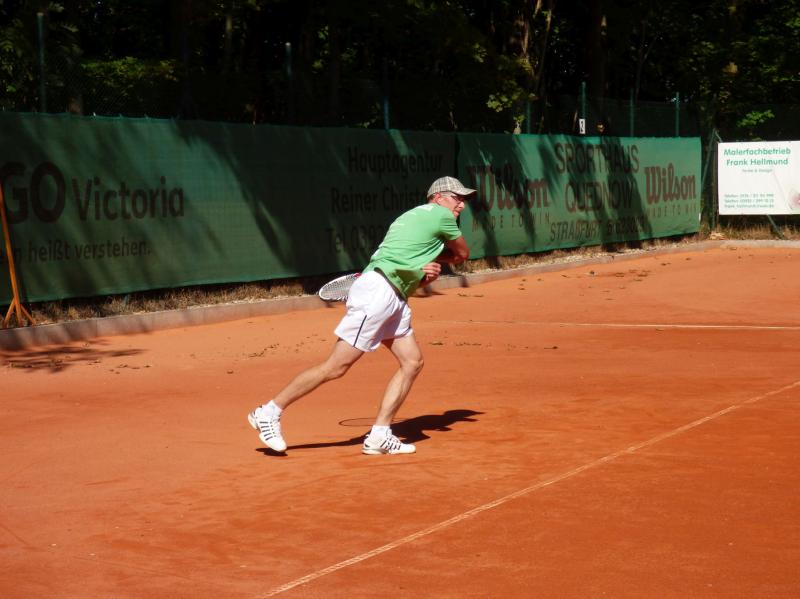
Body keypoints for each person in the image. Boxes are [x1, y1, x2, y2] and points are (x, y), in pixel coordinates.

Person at [248, 176, 474, 455]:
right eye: (456, 198)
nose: (461, 205)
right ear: (438, 197)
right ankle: (268, 412)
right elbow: (463, 253)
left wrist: (424, 272)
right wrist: (439, 261)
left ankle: (379, 434)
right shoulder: (441, 215)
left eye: (463, 200)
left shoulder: (411, 219)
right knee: (336, 367)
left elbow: (407, 272)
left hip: (393, 295)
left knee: (412, 362)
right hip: (379, 294)